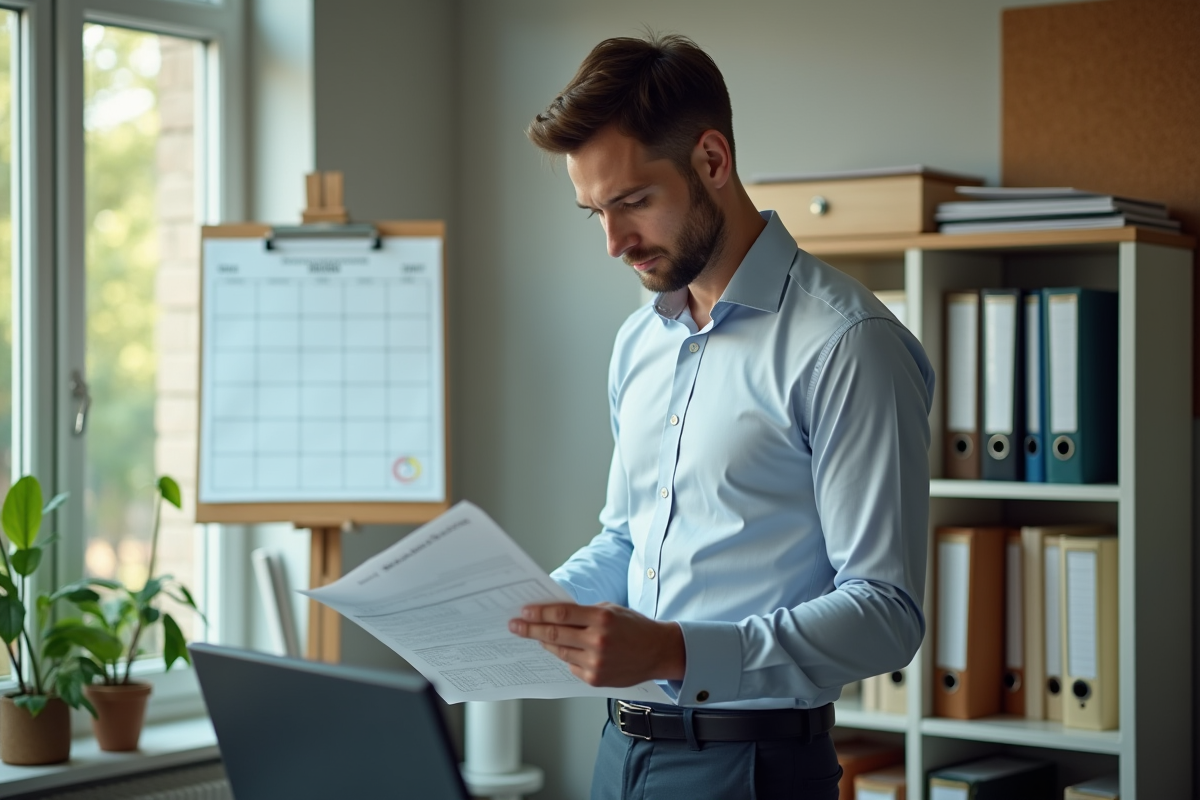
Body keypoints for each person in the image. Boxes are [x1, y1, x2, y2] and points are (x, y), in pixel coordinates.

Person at [507, 33, 933, 800]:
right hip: (618, 753)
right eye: (594, 212)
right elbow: (628, 536)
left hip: (753, 767)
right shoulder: (638, 342)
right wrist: (534, 609)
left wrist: (674, 652)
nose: (613, 243)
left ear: (712, 160)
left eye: (634, 202)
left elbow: (885, 612)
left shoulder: (846, 343)